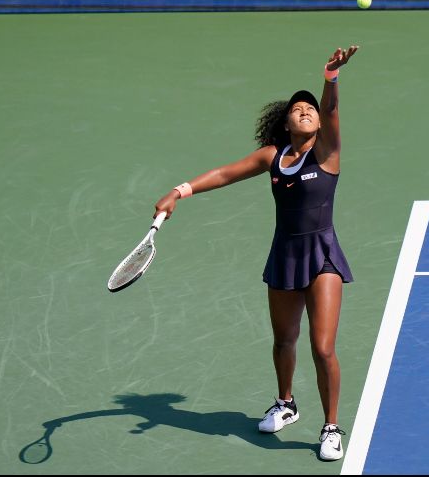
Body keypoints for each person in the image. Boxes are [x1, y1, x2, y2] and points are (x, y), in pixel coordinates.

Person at [153, 45, 359, 461]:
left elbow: (333, 109)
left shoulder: (328, 152)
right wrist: (179, 191)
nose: (306, 110)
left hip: (322, 256)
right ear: (285, 121)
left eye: (311, 108)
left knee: (322, 348)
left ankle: (331, 427)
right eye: (297, 107)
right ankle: (286, 403)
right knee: (284, 341)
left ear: (320, 121)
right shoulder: (273, 157)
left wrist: (330, 78)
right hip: (284, 254)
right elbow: (226, 173)